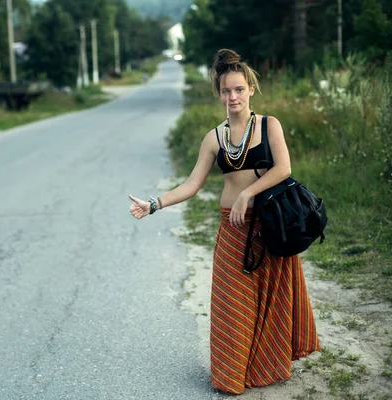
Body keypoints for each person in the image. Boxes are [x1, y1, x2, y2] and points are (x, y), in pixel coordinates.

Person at [128, 49, 320, 395]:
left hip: (270, 225)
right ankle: (231, 374)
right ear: (218, 94)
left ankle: (266, 365)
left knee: (270, 300)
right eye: (226, 91)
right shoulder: (213, 138)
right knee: (232, 304)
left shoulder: (268, 125)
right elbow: (191, 184)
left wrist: (249, 194)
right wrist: (154, 203)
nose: (233, 97)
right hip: (232, 230)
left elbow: (283, 168)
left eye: (239, 89)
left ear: (251, 89)